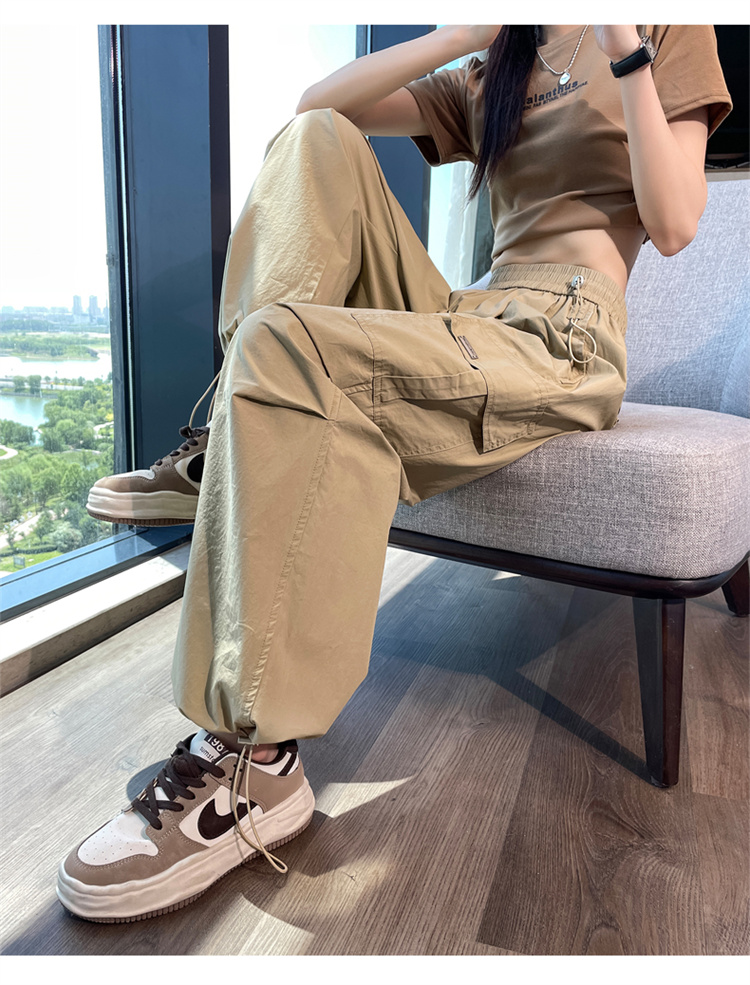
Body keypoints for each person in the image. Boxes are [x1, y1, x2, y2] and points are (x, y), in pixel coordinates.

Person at [57, 25, 732, 923]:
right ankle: (231, 428)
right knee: (315, 138)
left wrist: (621, 41)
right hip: (467, 307)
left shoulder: (664, 26)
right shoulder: (498, 64)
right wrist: (469, 34)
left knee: (286, 346)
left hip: (564, 330)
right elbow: (319, 105)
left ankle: (255, 762)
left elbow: (676, 223)